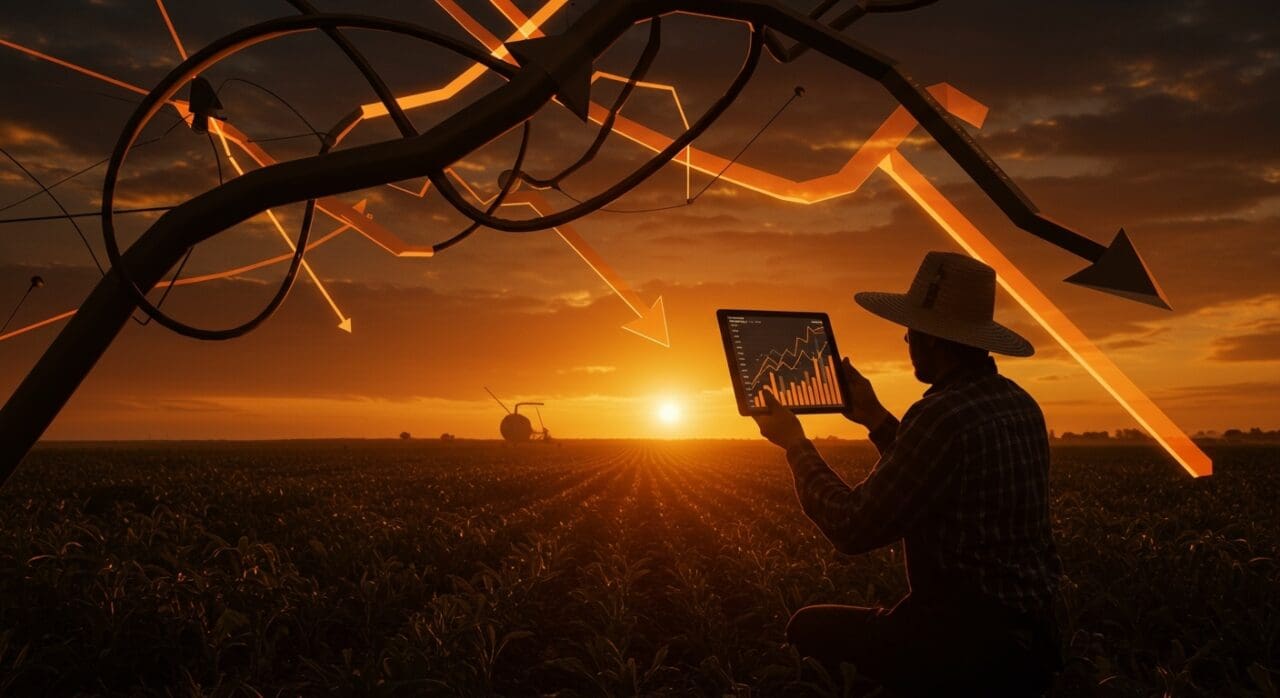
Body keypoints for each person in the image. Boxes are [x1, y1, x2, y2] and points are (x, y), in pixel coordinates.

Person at [752, 251, 1063, 696]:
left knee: (808, 628)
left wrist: (795, 444)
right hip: (1034, 638)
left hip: (963, 644)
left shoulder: (940, 414)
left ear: (934, 340)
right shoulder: (1019, 402)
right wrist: (875, 417)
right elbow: (939, 469)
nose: (905, 340)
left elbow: (853, 526)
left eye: (911, 331)